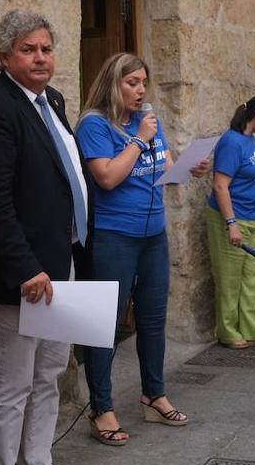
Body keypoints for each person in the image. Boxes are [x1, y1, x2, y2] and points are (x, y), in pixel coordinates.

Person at [0, 10, 99, 465]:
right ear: (3, 56)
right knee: (12, 380)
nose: (40, 58)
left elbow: (64, 181)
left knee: (50, 371)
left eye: (45, 48)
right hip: (24, 274)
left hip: (61, 263)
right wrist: (23, 267)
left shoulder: (53, 102)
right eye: (27, 50)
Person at [76, 53, 207, 444]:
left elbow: (163, 166)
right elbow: (108, 177)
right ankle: (102, 407)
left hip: (153, 234)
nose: (140, 90)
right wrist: (139, 139)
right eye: (131, 82)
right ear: (113, 83)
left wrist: (188, 165)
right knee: (107, 324)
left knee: (153, 317)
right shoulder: (94, 125)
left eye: (143, 83)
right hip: (114, 235)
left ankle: (154, 394)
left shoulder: (147, 121)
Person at [208, 93, 255, 348]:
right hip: (232, 218)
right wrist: (232, 224)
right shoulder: (231, 142)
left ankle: (253, 328)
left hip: (253, 217)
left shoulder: (251, 139)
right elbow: (220, 185)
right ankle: (228, 331)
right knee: (230, 278)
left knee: (252, 277)